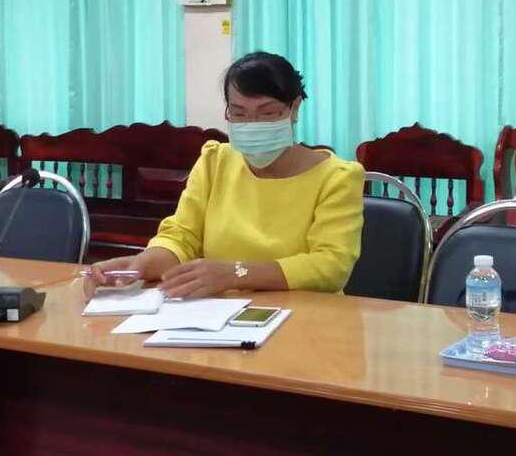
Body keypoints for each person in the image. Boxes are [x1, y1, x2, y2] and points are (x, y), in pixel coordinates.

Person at [84, 52, 364, 299]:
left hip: (308, 318)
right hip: (218, 317)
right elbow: (181, 237)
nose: (252, 125)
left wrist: (235, 274)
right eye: (239, 114)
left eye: (267, 113)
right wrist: (137, 267)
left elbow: (330, 265)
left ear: (295, 107)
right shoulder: (215, 161)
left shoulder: (337, 177)